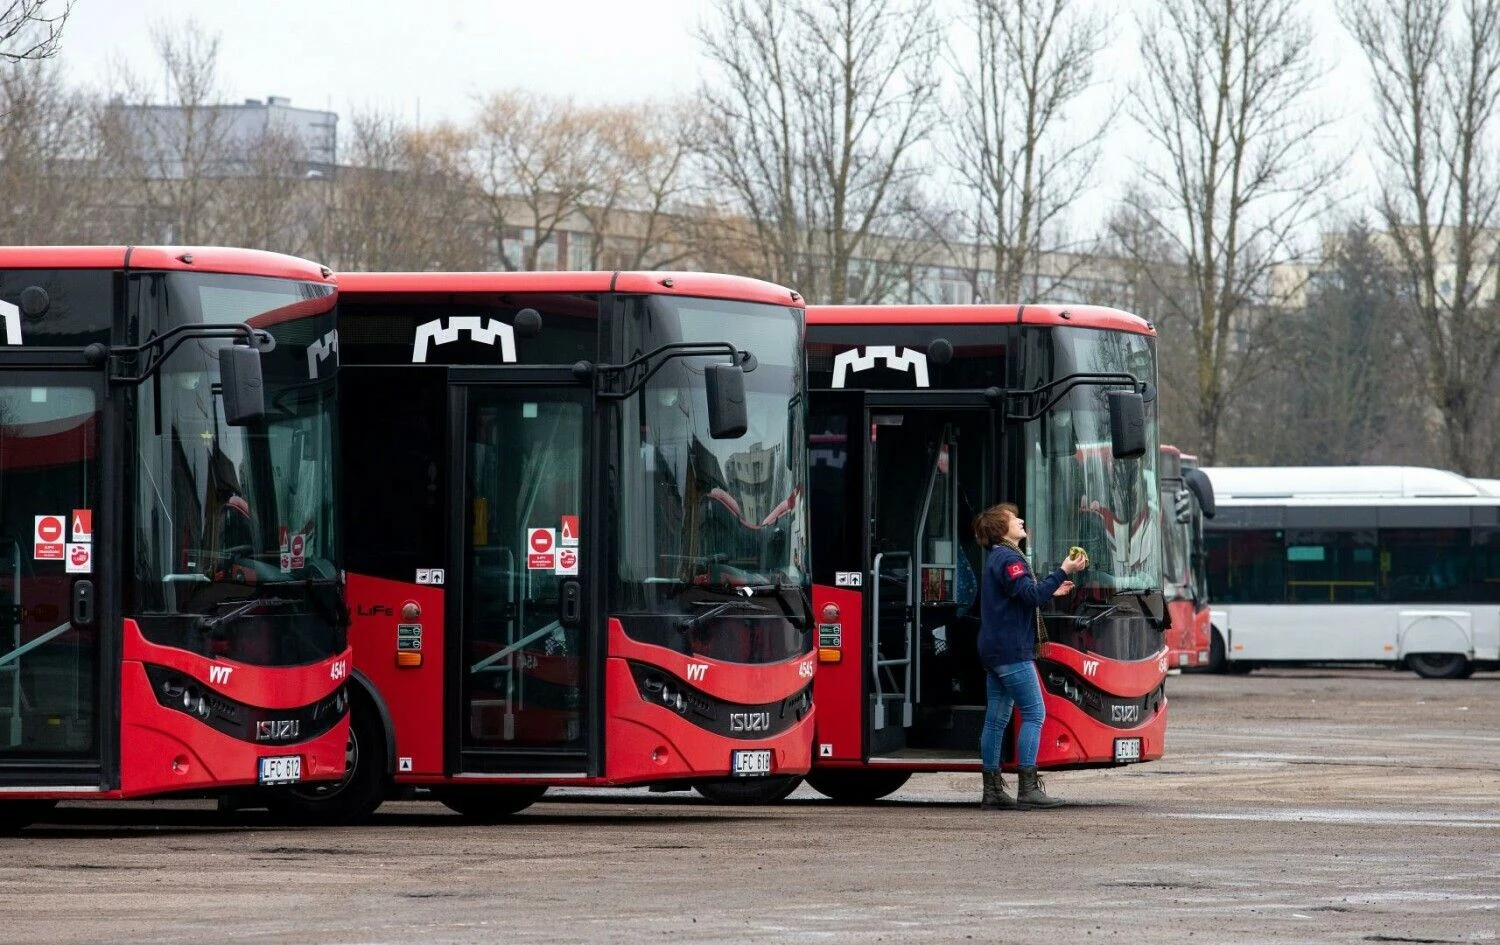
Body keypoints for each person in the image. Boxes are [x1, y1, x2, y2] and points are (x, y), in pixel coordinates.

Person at [974, 502, 1087, 810]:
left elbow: (1024, 594)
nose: (1021, 520)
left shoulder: (998, 556)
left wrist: (1051, 588)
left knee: (996, 720)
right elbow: (1030, 595)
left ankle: (992, 791)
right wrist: (1063, 570)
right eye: (1013, 519)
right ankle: (1028, 788)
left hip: (995, 650)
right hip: (1012, 651)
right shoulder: (1010, 558)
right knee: (1035, 713)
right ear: (1001, 529)